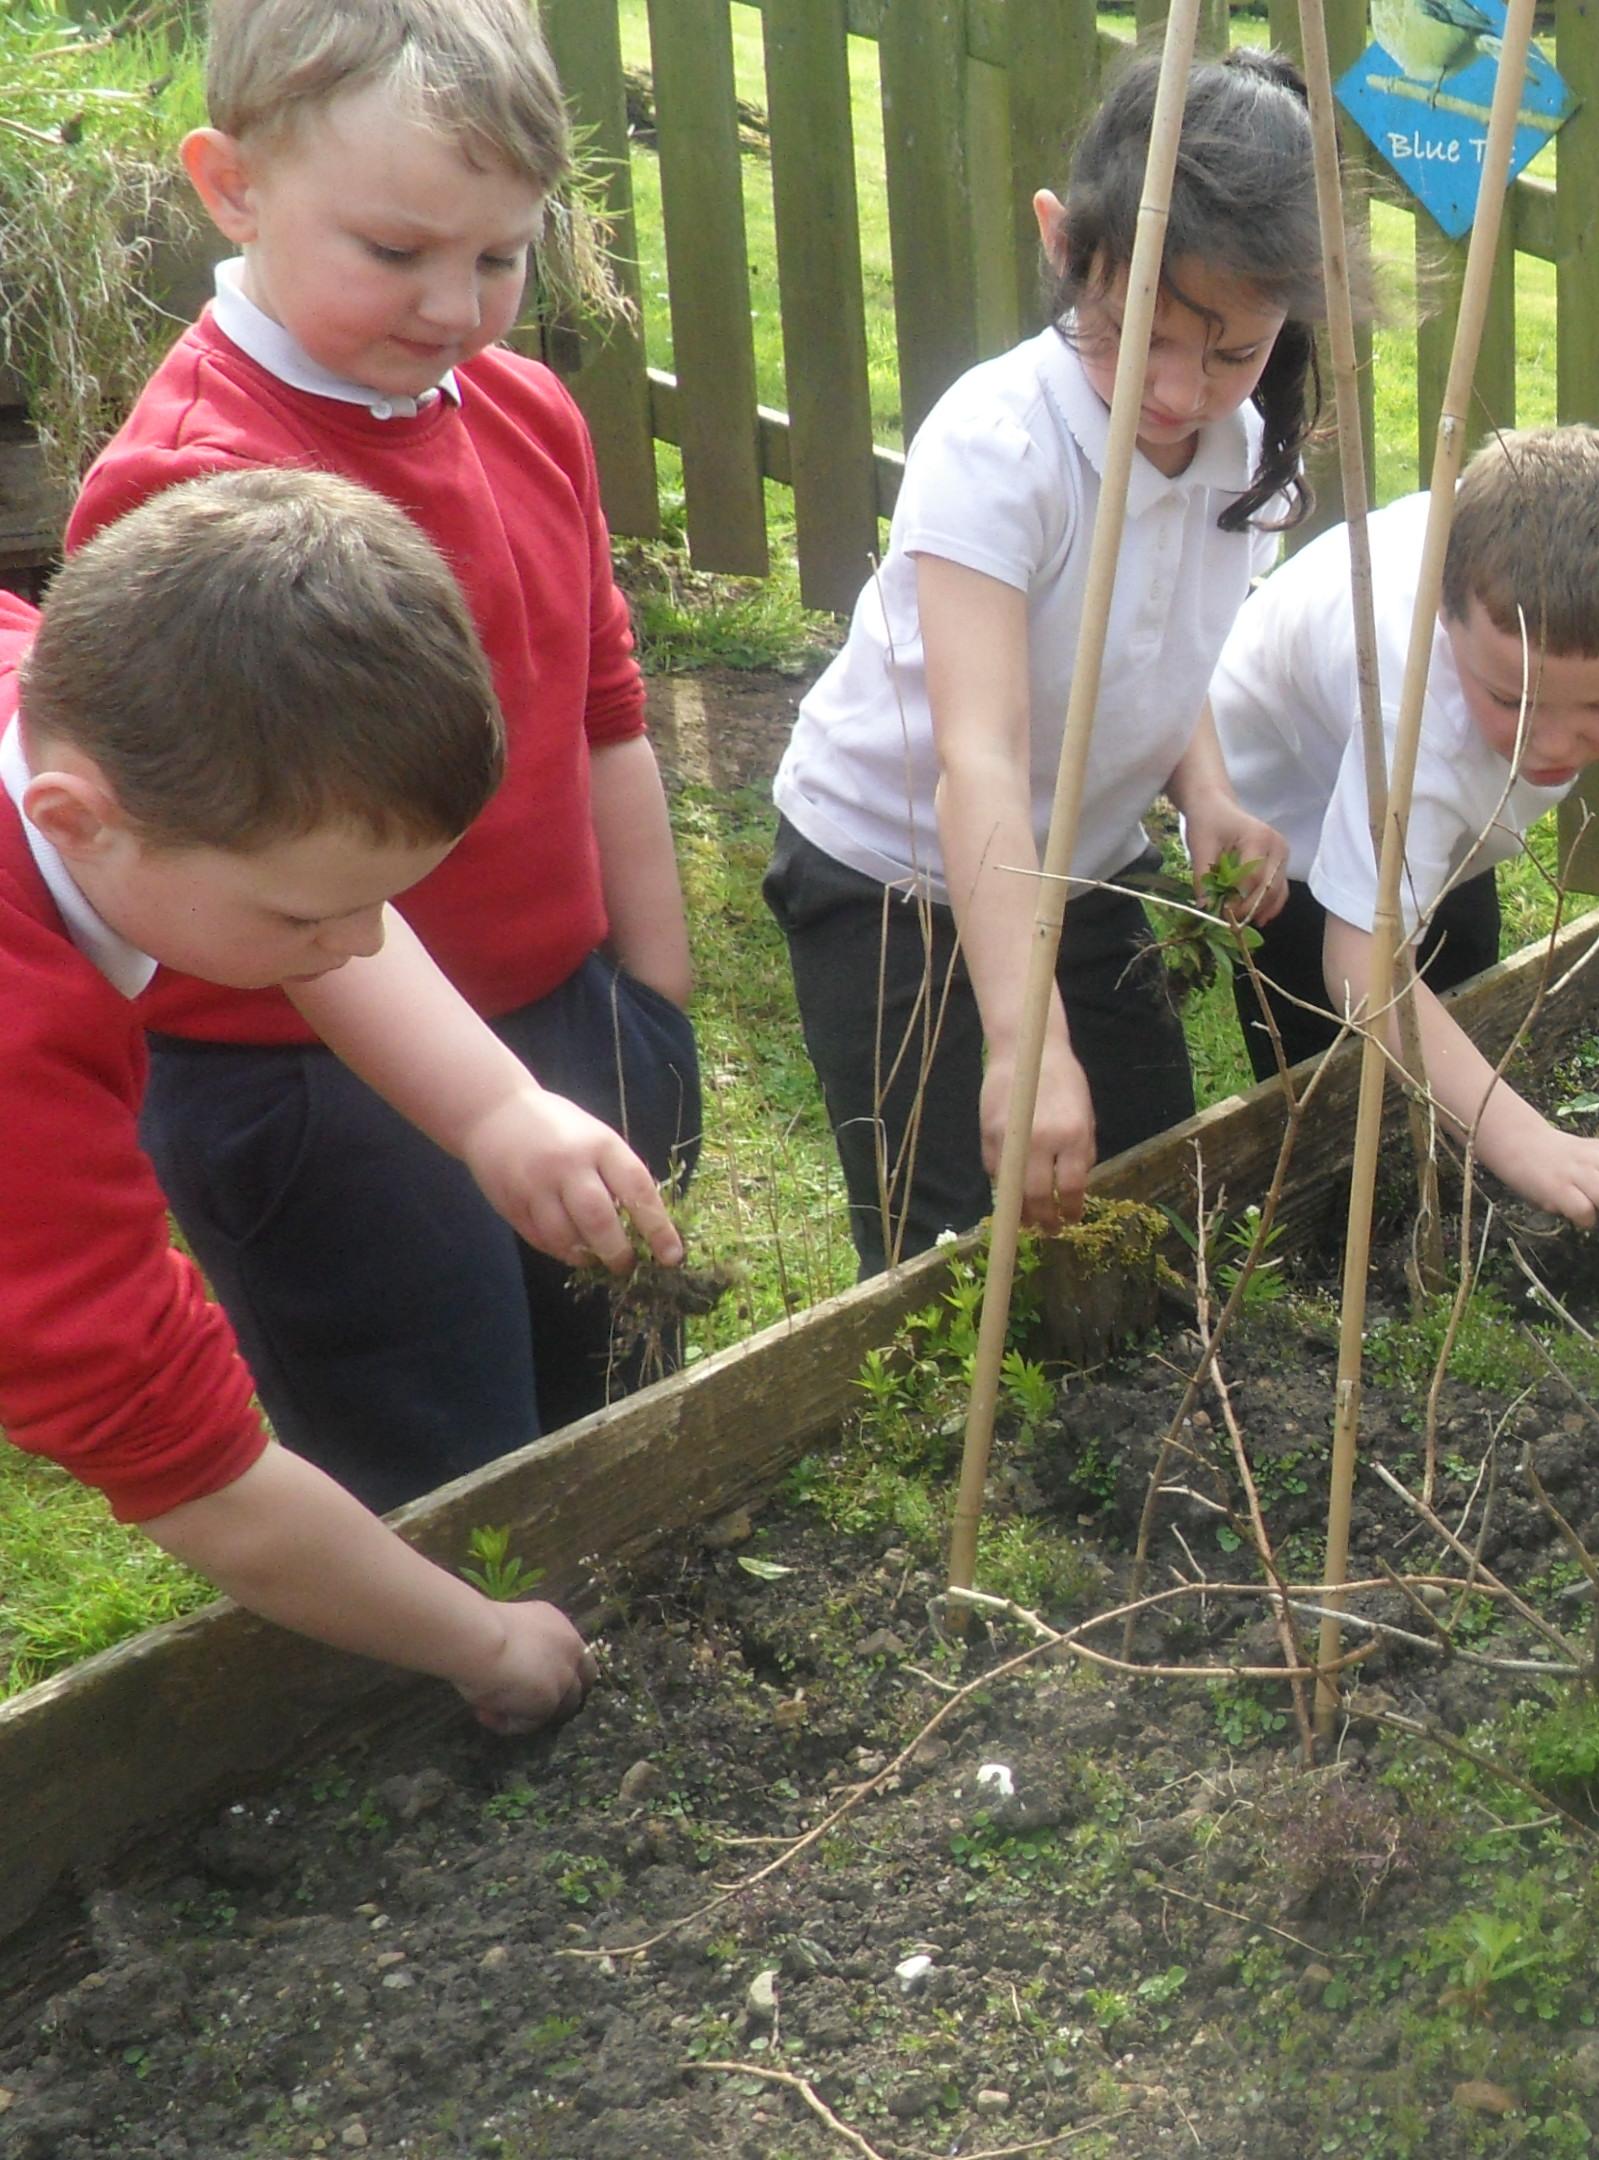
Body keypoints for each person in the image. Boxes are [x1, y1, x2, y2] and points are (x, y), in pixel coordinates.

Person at [70, 0, 701, 1510]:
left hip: (562, 1013)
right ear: (233, 185)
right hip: (314, 1081)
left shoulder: (528, 413)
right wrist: (486, 1107)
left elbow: (605, 708)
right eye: (397, 251)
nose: (454, 307)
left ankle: (599, 1617)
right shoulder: (194, 492)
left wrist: (651, 996)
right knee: (447, 1463)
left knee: (614, 1394)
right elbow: (274, 885)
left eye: (499, 258)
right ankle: (463, 1650)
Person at [7, 471, 679, 1727]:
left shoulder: (85, 696)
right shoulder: (19, 1065)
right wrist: (485, 1639)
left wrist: (494, 1106)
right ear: (75, 821)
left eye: (379, 901)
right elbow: (187, 1465)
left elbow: (324, 910)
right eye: (307, 918)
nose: (359, 944)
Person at [766, 50, 1314, 1274]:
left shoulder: (1245, 455)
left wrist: (1208, 794)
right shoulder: (999, 446)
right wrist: (1024, 1040)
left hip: (1077, 862)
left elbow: (1163, 642)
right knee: (957, 1250)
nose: (1177, 390)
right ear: (1067, 244)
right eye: (1138, 334)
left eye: (1233, 353)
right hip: (894, 873)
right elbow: (979, 754)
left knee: (1146, 1203)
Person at [1206, 424, 1599, 1230]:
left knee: (1457, 980)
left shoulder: (1564, 592)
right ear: (1445, 613)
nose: (1552, 746)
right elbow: (1360, 964)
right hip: (1289, 821)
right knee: (1334, 1089)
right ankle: (1345, 1225)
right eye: (1512, 701)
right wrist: (1531, 1145)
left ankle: (1453, 1182)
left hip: (1429, 809)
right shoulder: (1414, 714)